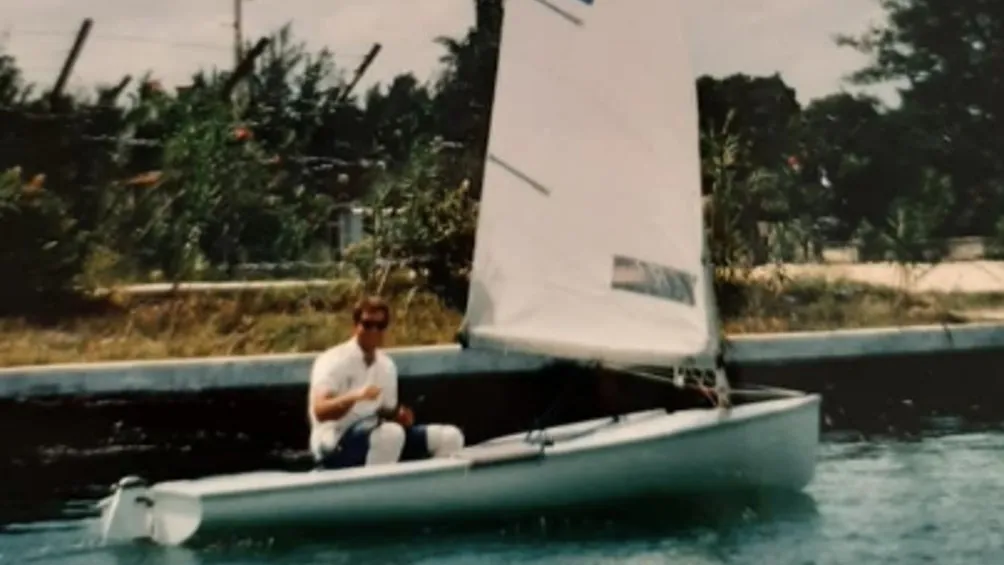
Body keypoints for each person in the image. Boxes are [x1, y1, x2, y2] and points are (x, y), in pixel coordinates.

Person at [307, 295, 466, 469]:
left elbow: (387, 412)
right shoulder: (332, 360)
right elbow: (320, 410)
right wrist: (354, 397)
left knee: (450, 437)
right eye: (367, 325)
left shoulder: (387, 365)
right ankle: (371, 485)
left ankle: (429, 485)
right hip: (335, 443)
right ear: (355, 326)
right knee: (391, 434)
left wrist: (401, 415)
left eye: (380, 326)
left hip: (377, 436)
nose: (374, 331)